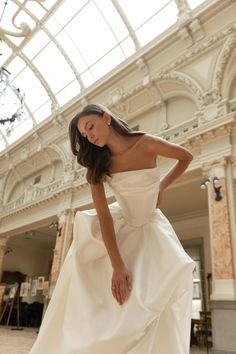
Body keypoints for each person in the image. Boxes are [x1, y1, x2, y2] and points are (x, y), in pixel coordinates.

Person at [29, 103, 196, 354]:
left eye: (90, 127)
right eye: (84, 135)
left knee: (156, 302)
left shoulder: (146, 143)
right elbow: (104, 217)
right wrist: (117, 265)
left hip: (153, 231)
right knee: (119, 310)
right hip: (122, 230)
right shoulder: (98, 166)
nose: (90, 136)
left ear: (106, 117)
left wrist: (162, 186)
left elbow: (186, 157)